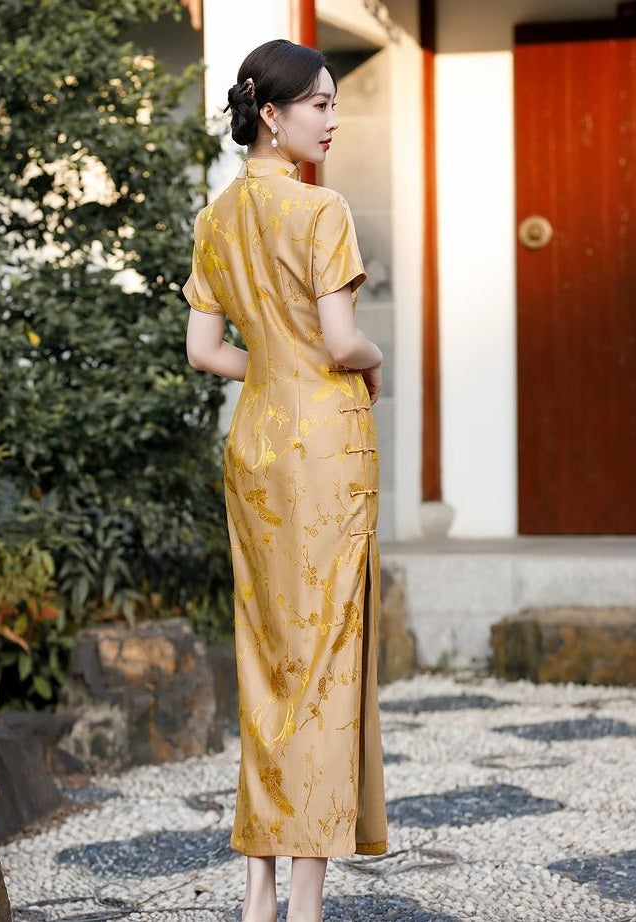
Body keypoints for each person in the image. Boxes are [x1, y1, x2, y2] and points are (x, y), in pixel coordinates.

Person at [183, 38, 387, 922]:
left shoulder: (215, 217)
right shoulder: (321, 210)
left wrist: (270, 362)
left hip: (257, 444)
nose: (333, 121)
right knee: (325, 666)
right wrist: (371, 358)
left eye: (335, 104)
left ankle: (259, 891)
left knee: (268, 660)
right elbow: (343, 343)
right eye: (320, 106)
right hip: (324, 453)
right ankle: (304, 902)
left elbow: (203, 352)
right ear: (272, 113)